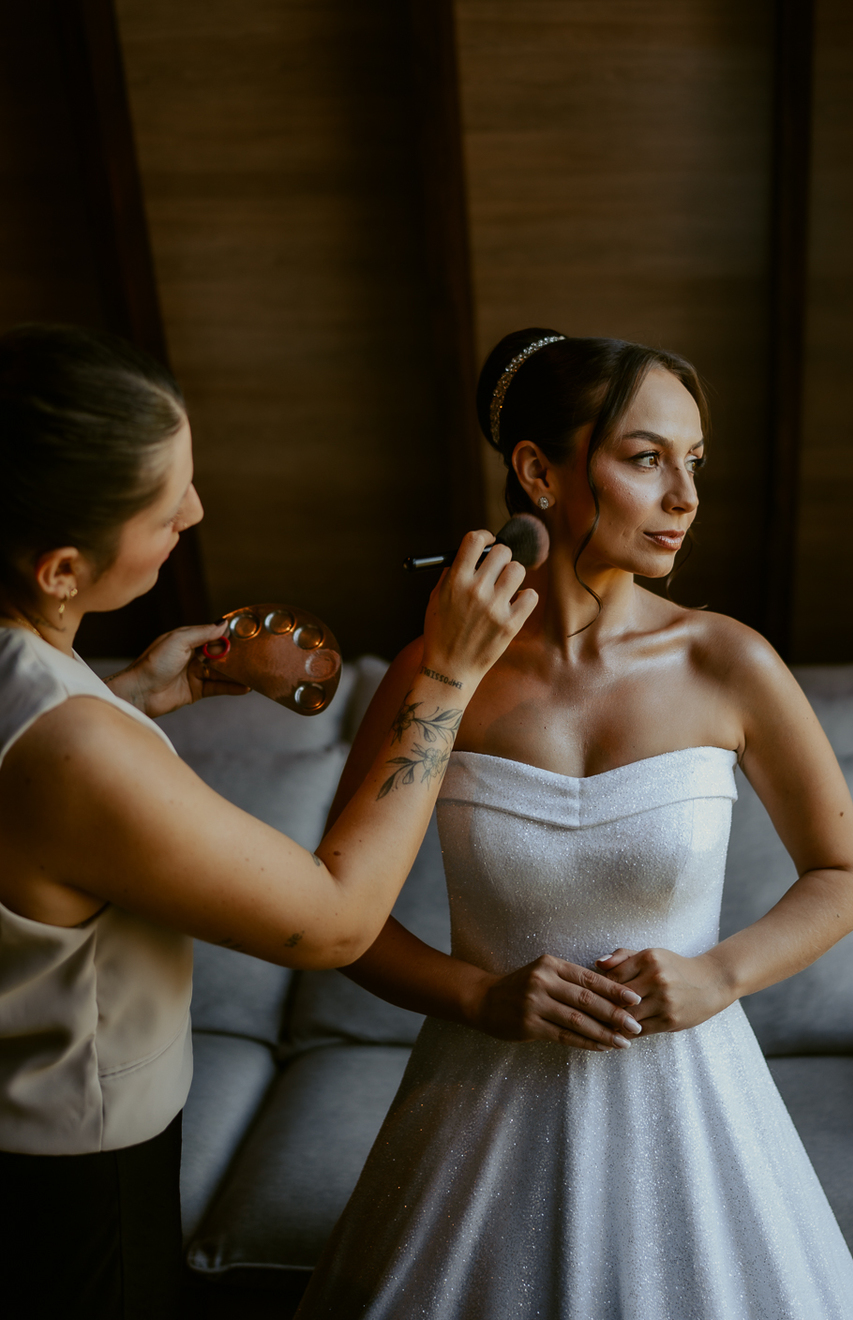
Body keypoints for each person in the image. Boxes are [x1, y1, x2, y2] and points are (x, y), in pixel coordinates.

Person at [298, 328, 853, 1320]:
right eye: (647, 459)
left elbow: (845, 873)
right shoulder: (434, 675)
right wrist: (480, 997)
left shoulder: (728, 664)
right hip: (479, 1114)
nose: (686, 498)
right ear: (539, 472)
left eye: (694, 464)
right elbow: (333, 917)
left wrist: (720, 974)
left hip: (696, 1108)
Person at [0, 323, 535, 1320]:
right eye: (167, 512)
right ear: (63, 570)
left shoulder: (46, 700)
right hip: (63, 1186)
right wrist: (451, 676)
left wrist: (125, 699)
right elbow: (333, 922)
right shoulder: (72, 750)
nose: (196, 513)